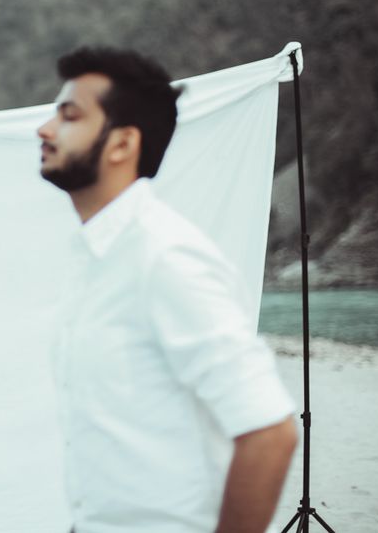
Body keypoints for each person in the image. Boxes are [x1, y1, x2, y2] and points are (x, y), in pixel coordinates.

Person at [37, 47, 298, 533]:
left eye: (69, 116)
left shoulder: (165, 258)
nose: (45, 129)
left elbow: (270, 431)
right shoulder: (93, 256)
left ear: (122, 144)